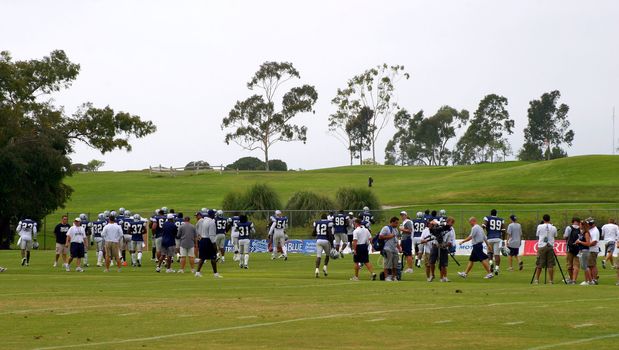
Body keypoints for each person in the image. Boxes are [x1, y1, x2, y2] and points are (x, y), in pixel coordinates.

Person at [429, 218, 456, 282]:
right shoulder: (439, 225)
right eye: (451, 223)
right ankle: (432, 275)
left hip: (443, 248)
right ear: (447, 222)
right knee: (432, 262)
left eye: (452, 223)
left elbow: (449, 242)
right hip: (435, 246)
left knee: (443, 264)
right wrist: (434, 224)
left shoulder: (450, 231)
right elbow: (431, 222)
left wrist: (444, 245)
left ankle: (443, 277)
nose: (451, 225)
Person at [195, 210, 221, 278]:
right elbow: (211, 235)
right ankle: (215, 274)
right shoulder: (212, 222)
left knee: (202, 258)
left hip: (202, 239)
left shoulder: (203, 220)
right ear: (212, 215)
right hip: (208, 240)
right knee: (213, 258)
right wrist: (214, 245)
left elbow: (197, 227)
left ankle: (197, 272)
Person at [533, 214, 557, 284]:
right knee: (550, 264)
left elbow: (537, 234)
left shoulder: (540, 226)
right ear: (549, 219)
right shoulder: (553, 227)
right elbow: (555, 235)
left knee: (539, 263)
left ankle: (537, 280)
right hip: (550, 246)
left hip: (542, 246)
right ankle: (551, 281)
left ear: (543, 219)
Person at [483, 209, 505, 275]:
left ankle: (490, 262)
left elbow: (483, 226)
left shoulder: (487, 218)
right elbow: (503, 230)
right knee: (497, 254)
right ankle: (497, 269)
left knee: (489, 252)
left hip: (490, 238)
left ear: (491, 213)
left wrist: (482, 231)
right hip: (498, 238)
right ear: (496, 214)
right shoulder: (501, 219)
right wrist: (503, 240)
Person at [380, 217, 401, 281]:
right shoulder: (386, 228)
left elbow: (396, 240)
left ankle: (394, 276)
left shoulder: (396, 229)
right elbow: (380, 236)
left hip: (394, 249)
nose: (397, 224)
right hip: (387, 248)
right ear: (392, 222)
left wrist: (399, 247)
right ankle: (386, 277)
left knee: (395, 264)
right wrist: (389, 236)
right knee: (387, 263)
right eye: (396, 223)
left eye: (397, 223)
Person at [313, 213, 334, 278]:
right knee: (327, 255)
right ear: (326, 218)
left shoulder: (316, 222)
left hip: (318, 240)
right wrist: (332, 243)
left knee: (318, 256)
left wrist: (316, 234)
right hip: (325, 240)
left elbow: (313, 233)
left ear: (321, 218)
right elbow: (330, 233)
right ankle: (325, 267)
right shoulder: (329, 222)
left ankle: (316, 270)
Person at [582, 217, 600, 284]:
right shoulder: (591, 229)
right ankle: (593, 279)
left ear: (590, 224)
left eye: (587, 224)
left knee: (591, 265)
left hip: (593, 250)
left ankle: (594, 279)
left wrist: (587, 244)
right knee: (591, 265)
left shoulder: (595, 231)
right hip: (591, 250)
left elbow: (594, 242)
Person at [563, 217, 582, 284]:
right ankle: (574, 280)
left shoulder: (569, 227)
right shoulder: (581, 228)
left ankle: (571, 279)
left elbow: (565, 236)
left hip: (570, 248)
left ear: (572, 221)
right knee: (576, 265)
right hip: (578, 248)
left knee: (569, 264)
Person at [575, 221, 593, 285]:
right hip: (581, 251)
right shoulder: (582, 233)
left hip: (585, 251)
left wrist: (580, 242)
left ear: (583, 225)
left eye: (580, 224)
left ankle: (589, 281)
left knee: (584, 266)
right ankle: (589, 281)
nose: (579, 226)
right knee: (584, 266)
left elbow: (588, 243)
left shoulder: (586, 233)